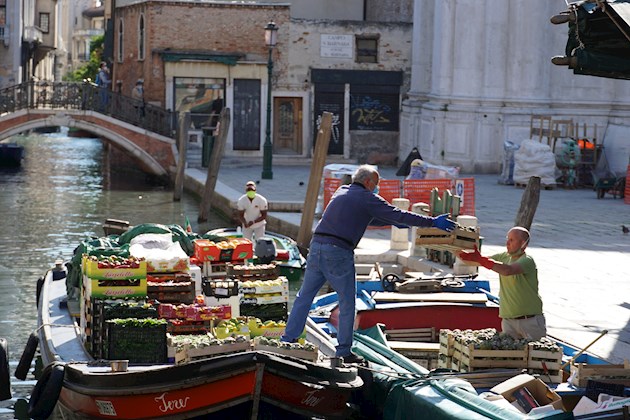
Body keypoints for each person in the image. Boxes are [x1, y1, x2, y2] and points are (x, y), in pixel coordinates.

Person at [281, 165, 457, 364]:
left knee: (305, 296)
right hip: (338, 251)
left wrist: (392, 220)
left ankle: (288, 338)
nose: (378, 188)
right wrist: (432, 222)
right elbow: (396, 214)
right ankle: (344, 352)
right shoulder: (368, 198)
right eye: (377, 184)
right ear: (368, 182)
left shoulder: (342, 191)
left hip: (316, 247)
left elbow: (366, 216)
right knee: (347, 303)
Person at [457, 226, 547, 340]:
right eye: (507, 239)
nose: (507, 243)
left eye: (512, 240)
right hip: (508, 321)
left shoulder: (527, 260)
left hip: (529, 321)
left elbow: (507, 270)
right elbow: (473, 262)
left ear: (523, 244)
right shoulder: (503, 256)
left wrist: (482, 260)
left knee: (536, 354)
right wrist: (454, 247)